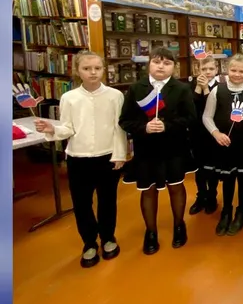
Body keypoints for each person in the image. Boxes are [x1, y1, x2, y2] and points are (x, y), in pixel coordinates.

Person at [35, 51, 128, 268]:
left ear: (103, 69)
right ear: (77, 71)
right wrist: (52, 129)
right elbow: (68, 128)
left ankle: (108, 238)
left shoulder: (115, 96)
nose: (93, 72)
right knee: (82, 204)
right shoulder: (69, 98)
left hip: (107, 157)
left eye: (97, 68)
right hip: (78, 159)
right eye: (87, 68)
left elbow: (119, 128)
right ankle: (89, 242)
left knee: (107, 201)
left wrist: (120, 154)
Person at [119, 47, 197, 255]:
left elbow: (191, 118)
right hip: (146, 149)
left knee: (176, 187)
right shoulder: (136, 88)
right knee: (149, 190)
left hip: (174, 148)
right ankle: (150, 232)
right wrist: (144, 127)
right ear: (149, 64)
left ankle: (179, 225)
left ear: (174, 67)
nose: (161, 66)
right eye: (156, 62)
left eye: (167, 63)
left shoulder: (182, 89)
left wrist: (167, 126)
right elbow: (125, 120)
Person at [202, 54, 243, 236]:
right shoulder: (217, 90)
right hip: (224, 143)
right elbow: (207, 116)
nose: (237, 74)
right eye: (233, 70)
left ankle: (241, 210)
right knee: (228, 179)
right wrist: (216, 133)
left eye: (242, 71)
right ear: (226, 70)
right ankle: (226, 211)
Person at [188, 56, 220, 216]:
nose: (207, 72)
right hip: (196, 133)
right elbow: (191, 107)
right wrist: (198, 88)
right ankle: (201, 196)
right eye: (204, 69)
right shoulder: (190, 86)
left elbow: (213, 109)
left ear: (217, 70)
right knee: (199, 168)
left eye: (211, 69)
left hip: (213, 133)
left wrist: (206, 89)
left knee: (212, 167)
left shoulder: (220, 87)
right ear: (198, 70)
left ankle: (212, 196)